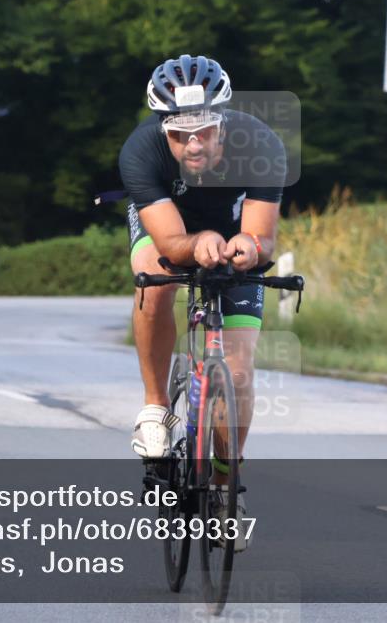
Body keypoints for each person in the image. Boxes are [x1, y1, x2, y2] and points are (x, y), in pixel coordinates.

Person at [120, 55, 286, 550]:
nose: (192, 144)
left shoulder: (261, 145)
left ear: (223, 124)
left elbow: (263, 238)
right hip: (169, 223)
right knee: (153, 280)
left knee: (237, 372)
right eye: (178, 133)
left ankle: (224, 486)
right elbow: (171, 243)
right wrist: (196, 245)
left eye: (204, 130)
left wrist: (249, 248)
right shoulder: (141, 151)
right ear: (162, 128)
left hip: (233, 231)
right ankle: (155, 406)